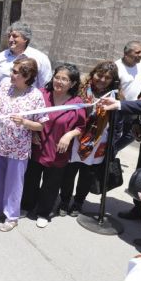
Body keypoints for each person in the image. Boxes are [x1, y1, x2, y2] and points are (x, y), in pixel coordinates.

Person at [20, 64, 86, 228]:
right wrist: (33, 130)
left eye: (65, 79)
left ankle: (43, 212)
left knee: (51, 184)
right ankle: (27, 205)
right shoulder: (42, 94)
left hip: (58, 150)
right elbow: (30, 114)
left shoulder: (76, 102)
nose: (60, 82)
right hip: (37, 146)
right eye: (57, 77)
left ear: (72, 83)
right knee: (31, 180)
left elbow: (81, 127)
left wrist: (69, 135)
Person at [0, 57, 48, 232]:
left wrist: (24, 122)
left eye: (15, 72)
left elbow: (41, 124)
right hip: (0, 142)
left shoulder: (35, 95)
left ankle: (11, 216)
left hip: (18, 147)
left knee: (14, 183)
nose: (11, 74)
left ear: (27, 75)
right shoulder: (5, 87)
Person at [59, 61, 123, 216]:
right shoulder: (80, 90)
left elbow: (119, 123)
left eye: (107, 78)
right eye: (99, 75)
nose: (102, 80)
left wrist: (112, 144)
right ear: (93, 73)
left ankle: (78, 202)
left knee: (87, 176)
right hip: (76, 137)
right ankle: (64, 201)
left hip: (98, 141)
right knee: (69, 172)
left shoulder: (116, 95)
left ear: (113, 80)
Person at [114, 41, 141, 220]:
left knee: (127, 137)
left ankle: (113, 151)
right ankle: (138, 207)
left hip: (135, 110)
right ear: (126, 53)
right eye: (137, 52)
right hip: (123, 111)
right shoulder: (118, 66)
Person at [0, 21, 52, 88]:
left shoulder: (40, 58)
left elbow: (45, 85)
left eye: (15, 36)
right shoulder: (0, 57)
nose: (10, 39)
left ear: (25, 39)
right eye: (9, 36)